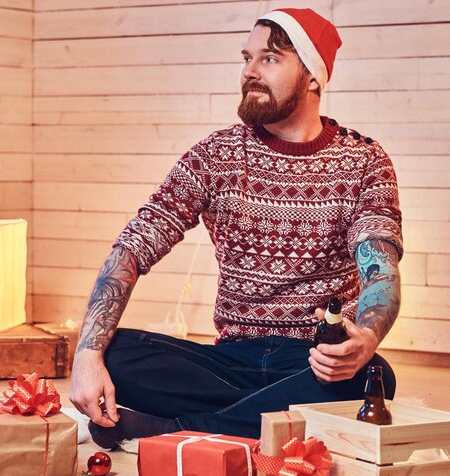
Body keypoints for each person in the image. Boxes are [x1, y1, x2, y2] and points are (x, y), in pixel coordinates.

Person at [69, 7, 402, 450]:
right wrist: (88, 354)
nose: (249, 71)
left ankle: (176, 428)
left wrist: (365, 338)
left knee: (373, 375)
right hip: (226, 358)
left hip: (310, 362)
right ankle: (261, 419)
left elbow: (380, 268)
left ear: (314, 77)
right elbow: (134, 246)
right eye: (247, 58)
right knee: (115, 350)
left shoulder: (365, 161)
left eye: (269, 58)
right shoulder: (216, 154)